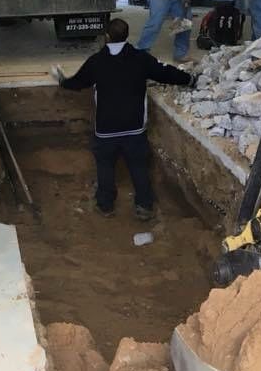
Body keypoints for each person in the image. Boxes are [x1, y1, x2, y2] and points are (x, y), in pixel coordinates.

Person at [51, 19, 195, 220]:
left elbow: (77, 82)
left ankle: (105, 206)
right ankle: (144, 207)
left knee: (105, 168)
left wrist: (61, 80)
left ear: (107, 36)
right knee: (138, 168)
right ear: (127, 36)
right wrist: (189, 79)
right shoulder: (140, 59)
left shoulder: (96, 61)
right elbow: (165, 73)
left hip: (105, 130)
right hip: (134, 129)